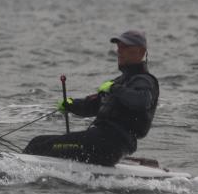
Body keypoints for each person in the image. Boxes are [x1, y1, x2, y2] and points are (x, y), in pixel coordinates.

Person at [23, 30, 159, 166]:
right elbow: (93, 105)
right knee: (37, 141)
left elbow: (141, 101)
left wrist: (114, 89)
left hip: (109, 146)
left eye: (124, 47)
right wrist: (70, 104)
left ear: (141, 52)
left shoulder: (144, 81)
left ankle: (21, 171)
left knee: (37, 147)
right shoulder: (120, 81)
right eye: (118, 47)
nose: (119, 51)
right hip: (99, 142)